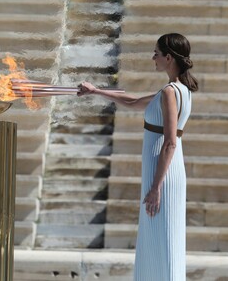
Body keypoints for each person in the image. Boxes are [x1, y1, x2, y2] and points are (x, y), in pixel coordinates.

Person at [78, 33, 198, 280]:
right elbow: (133, 102)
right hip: (166, 174)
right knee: (161, 239)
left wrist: (156, 186)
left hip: (162, 176)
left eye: (156, 53)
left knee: (163, 240)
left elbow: (170, 143)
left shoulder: (169, 92)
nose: (152, 57)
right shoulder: (179, 90)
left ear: (168, 57)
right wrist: (96, 91)